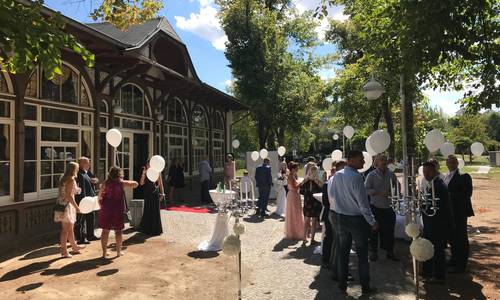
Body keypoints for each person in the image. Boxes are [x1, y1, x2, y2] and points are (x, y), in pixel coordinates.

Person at [331, 150, 378, 295]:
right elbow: (364, 204)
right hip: (356, 219)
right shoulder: (356, 177)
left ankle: (342, 284)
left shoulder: (337, 175)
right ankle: (365, 287)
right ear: (350, 160)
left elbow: (332, 195)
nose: (363, 162)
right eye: (360, 159)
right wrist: (372, 221)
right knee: (362, 255)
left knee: (343, 252)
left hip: (340, 217)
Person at [421, 161, 454, 283]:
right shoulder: (433, 183)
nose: (425, 174)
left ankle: (439, 277)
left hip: (439, 225)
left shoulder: (438, 185)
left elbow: (438, 207)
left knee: (438, 251)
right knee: (434, 249)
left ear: (434, 171)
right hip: (433, 224)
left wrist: (423, 206)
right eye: (424, 171)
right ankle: (431, 272)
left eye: (428, 171)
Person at [365, 154, 400, 262]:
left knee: (389, 230)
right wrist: (378, 193)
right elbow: (365, 189)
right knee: (374, 231)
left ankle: (390, 252)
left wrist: (394, 192)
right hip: (376, 206)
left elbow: (397, 186)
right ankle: (374, 252)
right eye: (381, 160)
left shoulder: (391, 174)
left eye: (385, 160)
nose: (383, 162)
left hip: (389, 207)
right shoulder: (371, 175)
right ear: (376, 162)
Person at [98, 166, 138, 258]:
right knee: (118, 231)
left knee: (105, 231)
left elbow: (99, 196)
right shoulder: (122, 183)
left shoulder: (105, 183)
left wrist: (100, 205)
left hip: (106, 208)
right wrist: (123, 180)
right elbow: (136, 184)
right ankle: (118, 252)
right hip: (117, 209)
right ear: (119, 174)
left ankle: (104, 253)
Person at [444, 155, 474, 273]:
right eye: (448, 162)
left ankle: (461, 265)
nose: (450, 164)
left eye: (452, 162)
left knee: (461, 238)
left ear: (457, 163)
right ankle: (454, 259)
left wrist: (448, 197)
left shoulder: (464, 176)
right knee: (452, 237)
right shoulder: (446, 176)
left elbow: (467, 193)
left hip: (459, 212)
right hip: (448, 212)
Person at [54, 162, 84, 258]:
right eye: (77, 168)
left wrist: (77, 190)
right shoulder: (71, 180)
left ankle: (74, 247)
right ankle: (64, 251)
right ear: (74, 169)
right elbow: (69, 196)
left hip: (61, 204)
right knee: (66, 230)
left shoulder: (63, 177)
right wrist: (77, 207)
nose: (78, 170)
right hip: (67, 206)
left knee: (70, 228)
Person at [322, 160, 346, 268]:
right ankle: (326, 260)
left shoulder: (345, 182)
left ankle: (335, 261)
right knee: (330, 237)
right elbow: (325, 201)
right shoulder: (328, 183)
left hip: (339, 213)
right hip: (331, 213)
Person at [74, 157, 99, 244]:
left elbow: (93, 180)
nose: (89, 164)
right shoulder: (80, 174)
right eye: (87, 163)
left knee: (91, 218)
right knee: (81, 220)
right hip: (84, 201)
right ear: (82, 164)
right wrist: (82, 203)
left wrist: (95, 181)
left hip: (90, 200)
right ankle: (81, 238)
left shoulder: (87, 172)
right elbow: (82, 190)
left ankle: (90, 235)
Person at [138, 161, 164, 236]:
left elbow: (160, 183)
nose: (148, 165)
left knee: (155, 211)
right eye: (147, 164)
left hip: (155, 193)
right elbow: (141, 183)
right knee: (147, 210)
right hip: (147, 193)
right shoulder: (145, 173)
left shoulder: (157, 172)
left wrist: (162, 193)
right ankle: (147, 229)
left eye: (149, 164)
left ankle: (156, 230)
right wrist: (143, 173)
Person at [284, 162, 306, 241]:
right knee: (294, 213)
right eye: (296, 168)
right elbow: (295, 187)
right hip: (293, 195)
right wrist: (302, 182)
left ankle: (295, 231)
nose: (297, 169)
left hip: (293, 195)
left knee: (295, 213)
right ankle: (294, 232)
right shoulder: (291, 176)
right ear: (293, 169)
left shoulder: (292, 175)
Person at [301, 165, 323, 244]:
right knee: (307, 221)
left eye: (314, 172)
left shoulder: (318, 181)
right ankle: (304, 237)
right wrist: (305, 181)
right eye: (311, 172)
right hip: (309, 203)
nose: (313, 174)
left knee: (313, 222)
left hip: (315, 203)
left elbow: (322, 189)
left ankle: (311, 239)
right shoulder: (306, 181)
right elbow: (301, 191)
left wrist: (317, 181)